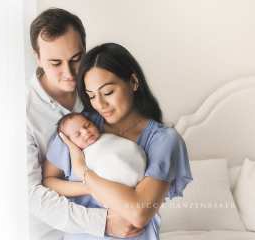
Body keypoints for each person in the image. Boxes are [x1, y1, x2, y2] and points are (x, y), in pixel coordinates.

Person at [46, 43, 193, 239]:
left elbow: (139, 213)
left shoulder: (163, 140)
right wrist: (89, 190)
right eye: (91, 96)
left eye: (107, 93)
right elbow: (48, 182)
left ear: (133, 82)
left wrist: (84, 172)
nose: (100, 104)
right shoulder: (80, 126)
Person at [27, 8, 142, 240]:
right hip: (51, 233)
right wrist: (104, 221)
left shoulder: (98, 91)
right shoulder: (22, 114)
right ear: (37, 57)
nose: (69, 73)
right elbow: (30, 193)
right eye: (55, 63)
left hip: (122, 218)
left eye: (76, 59)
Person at [43, 112, 146, 198]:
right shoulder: (78, 156)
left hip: (139, 178)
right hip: (114, 190)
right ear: (70, 143)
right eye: (78, 134)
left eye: (87, 125)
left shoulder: (108, 137)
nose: (86, 132)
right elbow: (49, 181)